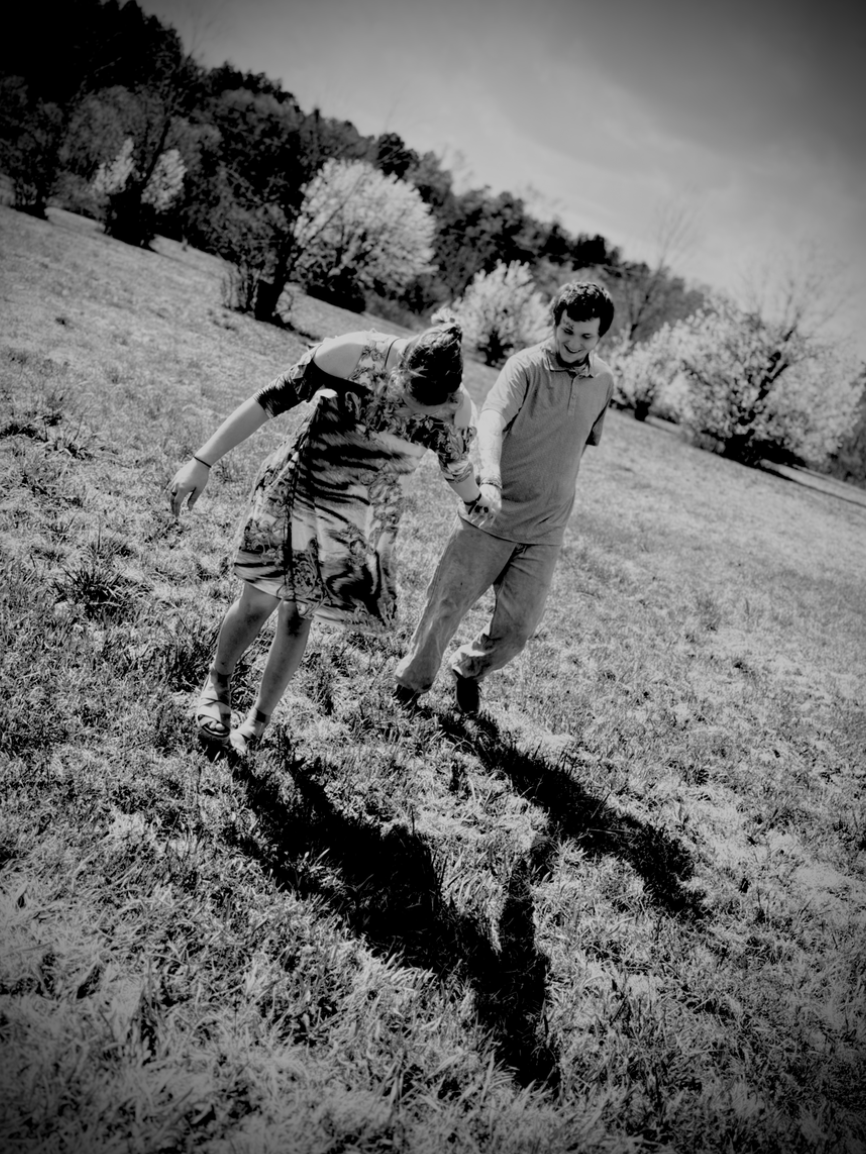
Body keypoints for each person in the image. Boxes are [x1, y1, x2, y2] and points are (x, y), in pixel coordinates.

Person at [168, 309, 484, 755]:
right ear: (403, 369)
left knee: (298, 616)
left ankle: (257, 722)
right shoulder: (350, 355)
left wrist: (476, 500)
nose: (414, 412)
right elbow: (266, 402)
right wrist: (202, 461)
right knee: (257, 602)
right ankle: (217, 686)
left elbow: (456, 469)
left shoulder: (456, 408)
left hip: (348, 521)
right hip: (293, 488)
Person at [393, 281, 616, 715]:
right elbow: (493, 417)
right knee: (447, 606)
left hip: (545, 528)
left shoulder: (603, 381)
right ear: (556, 322)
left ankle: (469, 668)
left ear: (600, 336)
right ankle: (410, 685)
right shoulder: (525, 366)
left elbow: (580, 443)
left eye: (586, 336)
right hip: (491, 513)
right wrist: (490, 477)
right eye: (567, 330)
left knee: (518, 629)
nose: (574, 343)